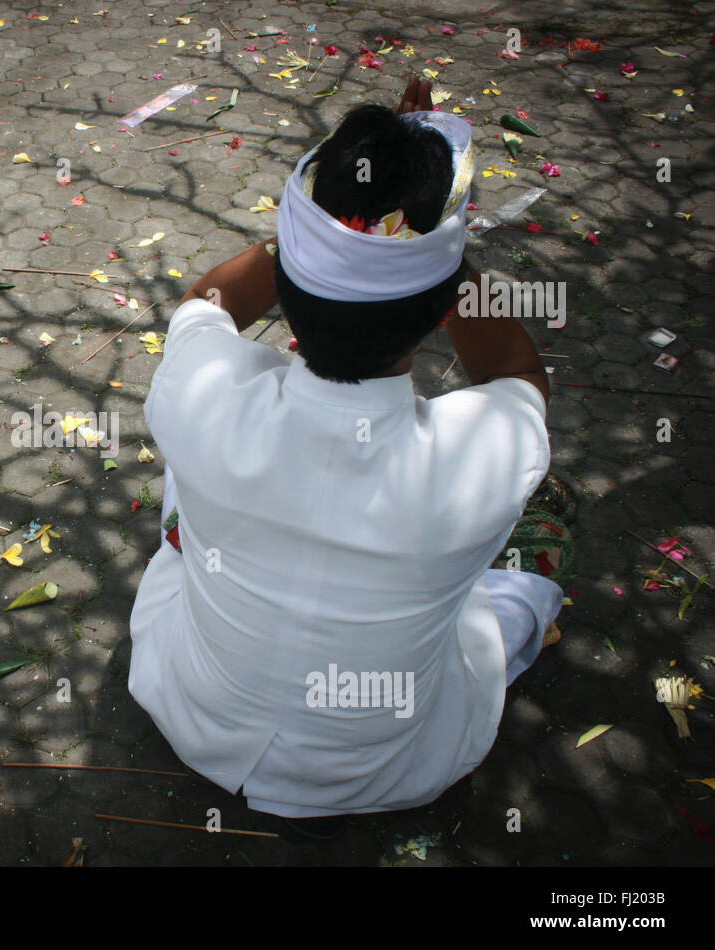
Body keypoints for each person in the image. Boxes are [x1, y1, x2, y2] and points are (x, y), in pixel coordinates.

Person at [128, 78, 564, 824]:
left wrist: (327, 233)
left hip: (192, 712)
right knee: (547, 517)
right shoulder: (485, 455)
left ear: (291, 280)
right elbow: (517, 375)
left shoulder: (204, 393)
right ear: (439, 309)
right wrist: (431, 252)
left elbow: (209, 307)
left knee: (189, 469)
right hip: (387, 769)